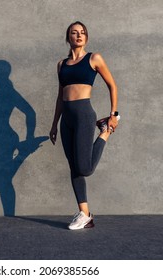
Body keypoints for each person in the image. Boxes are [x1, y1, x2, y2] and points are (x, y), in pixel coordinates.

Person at [49, 21, 119, 230]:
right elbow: (60, 97)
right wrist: (54, 124)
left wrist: (113, 114)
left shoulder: (94, 58)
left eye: (82, 33)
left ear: (86, 37)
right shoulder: (61, 64)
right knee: (74, 168)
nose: (79, 35)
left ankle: (105, 132)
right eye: (74, 32)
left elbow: (112, 85)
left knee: (84, 168)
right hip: (67, 120)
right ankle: (84, 214)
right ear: (68, 37)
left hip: (84, 115)